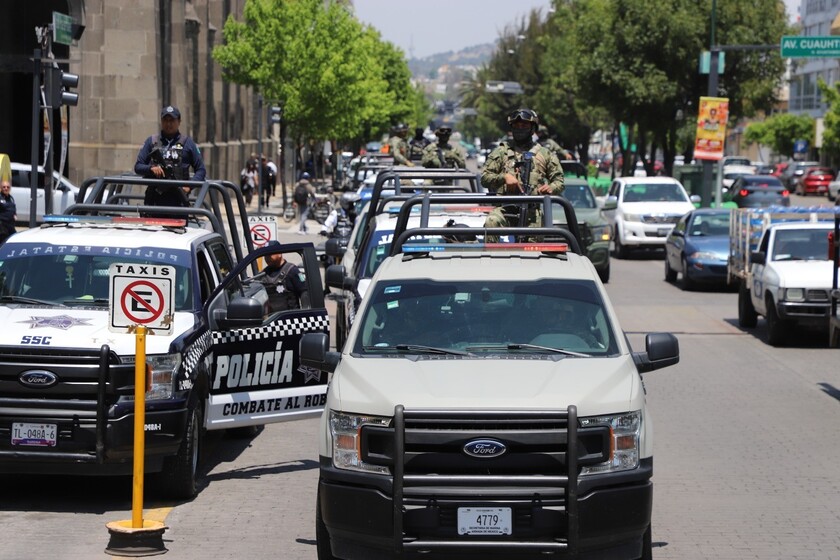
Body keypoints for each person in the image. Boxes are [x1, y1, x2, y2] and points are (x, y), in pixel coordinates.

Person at [481, 108, 565, 237]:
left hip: (532, 213)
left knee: (534, 244)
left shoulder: (544, 154)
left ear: (533, 128)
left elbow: (559, 181)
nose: (520, 128)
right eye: (517, 125)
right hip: (505, 208)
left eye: (524, 125)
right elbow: (485, 178)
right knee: (491, 222)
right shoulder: (501, 152)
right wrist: (504, 177)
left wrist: (551, 188)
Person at [135, 105, 206, 208]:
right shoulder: (152, 141)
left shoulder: (188, 143)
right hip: (154, 201)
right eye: (165, 120)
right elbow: (138, 166)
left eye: (172, 120)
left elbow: (201, 170)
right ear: (161, 121)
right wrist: (151, 169)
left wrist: (189, 186)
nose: (168, 124)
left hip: (178, 201)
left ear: (179, 121)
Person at [254, 241, 308, 313]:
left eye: (269, 255)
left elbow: (304, 292)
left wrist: (305, 312)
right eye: (265, 255)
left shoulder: (292, 271)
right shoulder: (263, 274)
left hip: (290, 317)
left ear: (279, 253)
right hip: (272, 318)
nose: (267, 258)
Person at [0, 180, 16, 245]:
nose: (6, 188)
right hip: (2, 225)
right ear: (1, 188)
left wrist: (15, 214)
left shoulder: (11, 198)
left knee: (14, 238)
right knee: (3, 242)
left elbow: (13, 207)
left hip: (10, 225)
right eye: (4, 187)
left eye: (8, 187)